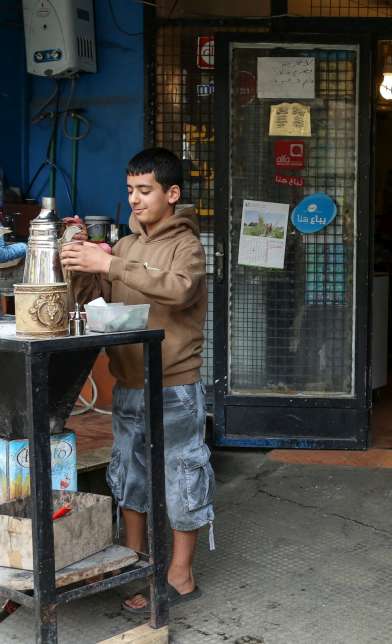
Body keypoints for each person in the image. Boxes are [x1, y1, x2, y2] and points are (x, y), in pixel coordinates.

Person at [62, 147, 212, 613]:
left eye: (145, 191)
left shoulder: (186, 244)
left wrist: (108, 264)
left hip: (174, 387)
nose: (135, 200)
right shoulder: (125, 246)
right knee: (130, 478)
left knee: (182, 476)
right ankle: (138, 563)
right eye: (130, 191)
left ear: (172, 194)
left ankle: (180, 575)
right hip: (128, 384)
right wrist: (79, 264)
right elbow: (99, 299)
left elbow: (180, 288)